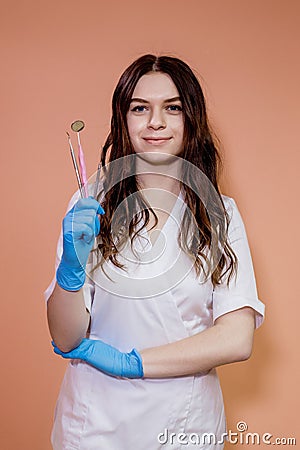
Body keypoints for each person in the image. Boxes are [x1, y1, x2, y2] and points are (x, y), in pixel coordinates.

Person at [45, 54, 265, 450]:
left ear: (191, 119)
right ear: (123, 119)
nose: (156, 122)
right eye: (140, 108)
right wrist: (70, 270)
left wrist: (134, 363)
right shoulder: (89, 204)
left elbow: (237, 338)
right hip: (96, 426)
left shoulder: (220, 214)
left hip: (185, 426)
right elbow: (65, 336)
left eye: (172, 107)